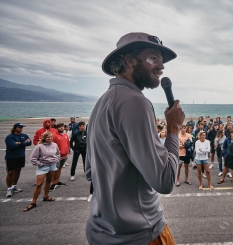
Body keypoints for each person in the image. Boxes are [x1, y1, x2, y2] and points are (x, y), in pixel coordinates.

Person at [85, 32, 185, 244]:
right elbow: (165, 180)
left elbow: (90, 171)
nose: (161, 66)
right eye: (153, 58)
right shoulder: (135, 102)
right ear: (130, 60)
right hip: (140, 234)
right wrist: (173, 129)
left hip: (102, 231)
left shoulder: (103, 102)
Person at [23, 132, 60, 212]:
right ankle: (33, 202)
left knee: (49, 181)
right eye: (48, 137)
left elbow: (58, 154)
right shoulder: (39, 146)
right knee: (39, 184)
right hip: (43, 166)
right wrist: (40, 164)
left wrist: (56, 160)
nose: (50, 139)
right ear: (44, 138)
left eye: (51, 137)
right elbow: (33, 158)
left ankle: (46, 196)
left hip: (52, 166)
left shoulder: (55, 145)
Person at [5, 123, 31, 197]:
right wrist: (23, 143)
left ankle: (14, 185)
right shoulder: (10, 137)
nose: (21, 128)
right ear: (15, 128)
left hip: (21, 156)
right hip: (11, 157)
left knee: (18, 170)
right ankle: (9, 188)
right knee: (10, 172)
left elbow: (29, 143)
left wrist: (19, 143)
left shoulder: (24, 135)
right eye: (19, 127)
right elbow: (12, 145)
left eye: (22, 127)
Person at [50, 123, 70, 191]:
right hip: (57, 156)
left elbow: (67, 144)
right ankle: (53, 183)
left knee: (60, 168)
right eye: (60, 127)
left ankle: (57, 181)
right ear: (57, 128)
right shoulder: (54, 135)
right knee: (55, 169)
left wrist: (67, 152)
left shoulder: (65, 135)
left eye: (62, 127)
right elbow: (52, 146)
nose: (61, 128)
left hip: (64, 155)